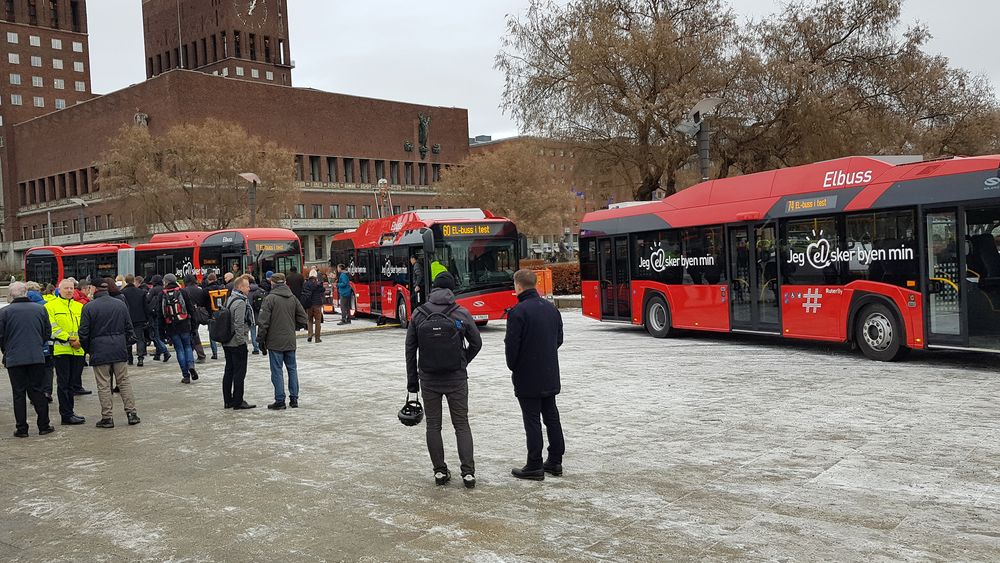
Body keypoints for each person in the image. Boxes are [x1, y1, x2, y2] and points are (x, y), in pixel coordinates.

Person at [405, 271, 483, 488]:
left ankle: (439, 471)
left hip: (428, 379)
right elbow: (476, 343)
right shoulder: (461, 312)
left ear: (433, 289)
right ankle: (468, 473)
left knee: (433, 425)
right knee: (461, 424)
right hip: (456, 378)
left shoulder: (419, 313)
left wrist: (412, 382)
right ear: (451, 290)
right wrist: (462, 361)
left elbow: (410, 349)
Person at [505, 269, 565, 481]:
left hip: (527, 374)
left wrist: (515, 366)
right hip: (549, 371)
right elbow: (559, 339)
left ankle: (534, 464)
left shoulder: (518, 312)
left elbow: (512, 347)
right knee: (551, 416)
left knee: (532, 420)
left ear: (518, 286)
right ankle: (555, 460)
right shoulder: (551, 309)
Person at [79, 280, 140, 428]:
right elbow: (129, 328)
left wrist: (89, 349)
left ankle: (107, 417)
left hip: (99, 350)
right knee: (124, 382)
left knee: (104, 384)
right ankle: (132, 414)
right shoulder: (120, 304)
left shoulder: (89, 307)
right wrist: (124, 344)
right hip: (119, 349)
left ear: (94, 288)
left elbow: (83, 333)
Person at [0, 282, 54, 437]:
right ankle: (44, 425)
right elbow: (47, 332)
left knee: (18, 393)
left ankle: (22, 428)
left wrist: (7, 350)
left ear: (11, 295)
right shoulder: (40, 309)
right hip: (36, 356)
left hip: (14, 358)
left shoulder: (4, 312)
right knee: (38, 390)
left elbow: (1, 336)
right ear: (26, 292)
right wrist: (37, 344)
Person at [257, 273, 307, 410]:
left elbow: (263, 322)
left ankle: (280, 400)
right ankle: (294, 398)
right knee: (292, 369)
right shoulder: (293, 298)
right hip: (290, 340)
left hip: (275, 341)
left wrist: (260, 340)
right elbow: (303, 318)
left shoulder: (270, 299)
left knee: (277, 371)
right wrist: (292, 326)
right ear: (284, 282)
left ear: (272, 283)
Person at [45, 278, 87, 425]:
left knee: (72, 383)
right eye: (66, 288)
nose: (69, 291)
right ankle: (66, 415)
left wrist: (80, 340)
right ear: (59, 290)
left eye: (71, 288)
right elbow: (51, 327)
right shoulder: (50, 306)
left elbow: (85, 326)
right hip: (61, 350)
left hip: (78, 350)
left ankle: (70, 412)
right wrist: (69, 338)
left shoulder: (79, 306)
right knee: (63, 384)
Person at [222, 275, 256, 410]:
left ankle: (228, 400)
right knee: (239, 373)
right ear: (240, 287)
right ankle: (238, 401)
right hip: (236, 342)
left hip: (227, 341)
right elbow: (239, 323)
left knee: (229, 371)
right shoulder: (241, 302)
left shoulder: (230, 298)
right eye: (247, 286)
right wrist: (242, 343)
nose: (249, 289)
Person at [160, 273, 198, 384]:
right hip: (184, 324)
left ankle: (186, 375)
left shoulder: (162, 294)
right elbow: (191, 309)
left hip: (171, 326)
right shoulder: (182, 292)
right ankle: (191, 365)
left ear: (166, 282)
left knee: (179, 349)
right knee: (187, 347)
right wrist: (194, 326)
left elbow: (160, 315)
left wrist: (162, 332)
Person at [182, 273, 213, 362]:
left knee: (194, 334)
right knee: (194, 334)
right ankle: (193, 353)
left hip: (191, 315)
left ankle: (200, 355)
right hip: (201, 313)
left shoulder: (184, 291)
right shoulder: (200, 290)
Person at [121, 274, 148, 367]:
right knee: (140, 338)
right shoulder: (141, 292)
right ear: (133, 281)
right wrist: (146, 318)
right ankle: (140, 358)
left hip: (127, 319)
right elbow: (145, 306)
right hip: (139, 318)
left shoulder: (122, 293)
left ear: (125, 281)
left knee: (128, 338)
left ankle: (130, 358)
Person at [145, 275, 171, 363]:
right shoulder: (164, 289)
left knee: (155, 335)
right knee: (160, 334)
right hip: (165, 315)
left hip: (155, 315)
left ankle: (165, 352)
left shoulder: (153, 290)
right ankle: (158, 354)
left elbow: (147, 300)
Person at [300, 270, 325, 343]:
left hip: (309, 304)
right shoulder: (318, 284)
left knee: (309, 320)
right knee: (317, 321)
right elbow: (323, 290)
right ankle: (317, 338)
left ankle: (309, 335)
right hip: (317, 304)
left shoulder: (306, 283)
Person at [247, 275, 265, 355]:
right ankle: (262, 346)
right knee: (260, 331)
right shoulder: (259, 289)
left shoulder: (248, 292)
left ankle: (256, 348)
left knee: (253, 332)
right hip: (260, 313)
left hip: (252, 315)